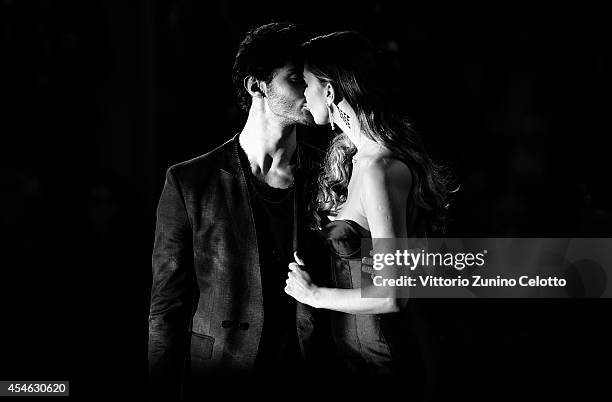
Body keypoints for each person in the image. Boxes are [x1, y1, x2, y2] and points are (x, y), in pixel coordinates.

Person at [148, 22, 338, 401]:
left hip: (306, 374)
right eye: (295, 78)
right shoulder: (190, 181)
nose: (310, 91)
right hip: (220, 375)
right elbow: (167, 305)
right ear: (257, 86)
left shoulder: (330, 174)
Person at [284, 31, 452, 386]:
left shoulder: (378, 169)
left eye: (306, 83)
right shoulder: (355, 159)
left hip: (387, 360)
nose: (302, 94)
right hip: (356, 357)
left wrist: (314, 295)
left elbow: (393, 294)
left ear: (329, 92)